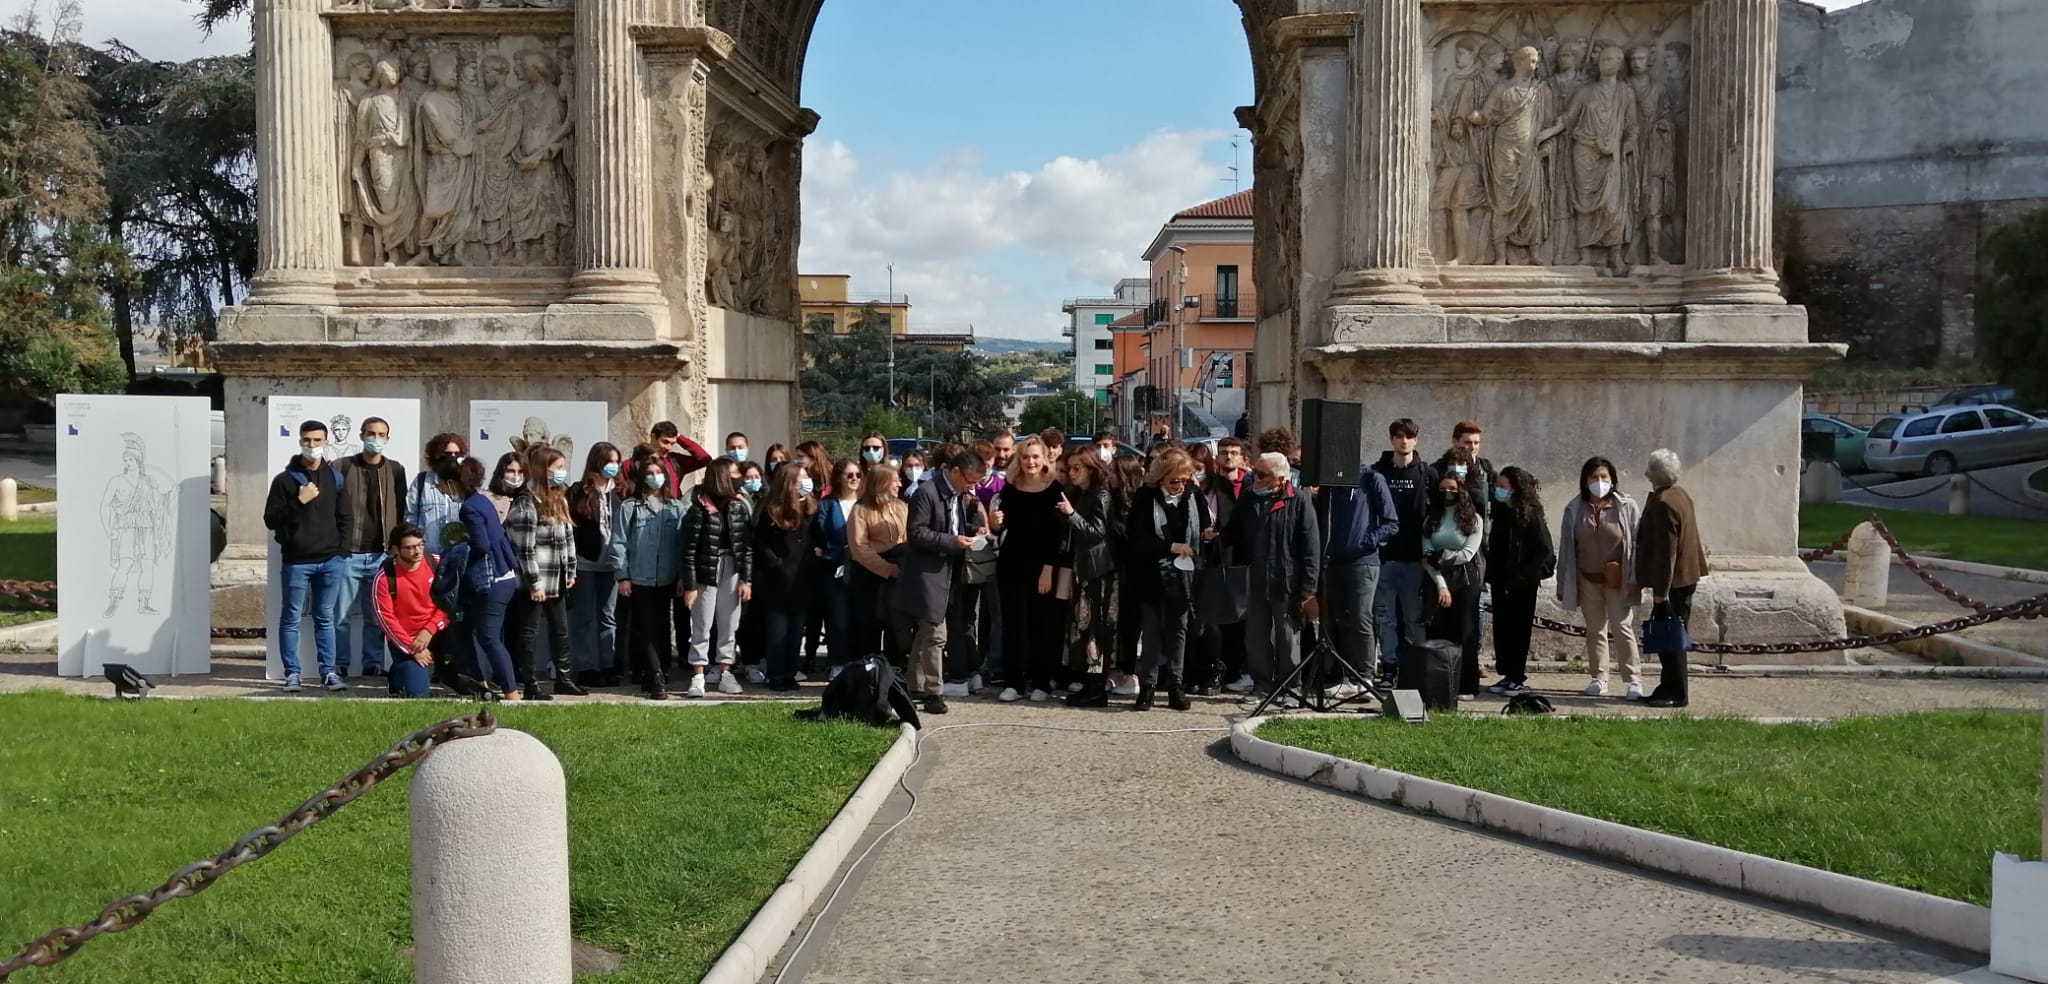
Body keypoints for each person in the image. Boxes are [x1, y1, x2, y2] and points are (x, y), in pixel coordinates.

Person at [897, 450, 990, 715]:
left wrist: (975, 531)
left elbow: (955, 524)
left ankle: (913, 685)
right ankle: (933, 692)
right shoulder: (927, 493)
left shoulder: (959, 495)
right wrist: (952, 542)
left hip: (951, 571)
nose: (972, 487)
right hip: (927, 572)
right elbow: (917, 532)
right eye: (969, 481)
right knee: (936, 634)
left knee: (926, 634)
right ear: (955, 472)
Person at [263, 419, 354, 693]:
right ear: (300, 441)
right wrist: (298, 501)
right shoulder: (284, 480)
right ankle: (292, 673)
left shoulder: (335, 477)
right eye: (306, 440)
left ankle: (328, 672)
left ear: (325, 442)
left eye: (316, 440)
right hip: (296, 561)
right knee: (291, 617)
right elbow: (270, 519)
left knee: (325, 617)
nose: (311, 445)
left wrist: (342, 551)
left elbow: (346, 517)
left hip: (330, 561)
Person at [1122, 448, 1210, 711]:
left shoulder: (1193, 495)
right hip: (1151, 574)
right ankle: (1147, 686)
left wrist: (1207, 535)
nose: (1180, 486)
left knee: (1179, 630)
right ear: (1161, 478)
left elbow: (1204, 523)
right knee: (1152, 631)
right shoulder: (1145, 496)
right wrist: (1170, 547)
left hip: (1184, 576)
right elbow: (1136, 538)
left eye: (1185, 480)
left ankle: (1176, 685)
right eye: (1175, 481)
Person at [1233, 452, 1320, 701]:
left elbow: (1311, 546)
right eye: (1254, 473)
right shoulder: (1249, 497)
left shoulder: (1300, 500)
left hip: (1287, 580)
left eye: (1262, 474)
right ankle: (1261, 685)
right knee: (1256, 636)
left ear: (1280, 478)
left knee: (1287, 638)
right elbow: (1235, 532)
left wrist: (1308, 587)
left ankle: (1291, 688)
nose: (1255, 478)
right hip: (1255, 578)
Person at [1558, 455, 1645, 699]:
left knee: (1622, 627)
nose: (1599, 481)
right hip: (1587, 579)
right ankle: (1599, 677)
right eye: (1594, 477)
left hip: (1618, 578)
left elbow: (1636, 544)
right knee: (1595, 630)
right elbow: (1567, 547)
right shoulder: (1574, 508)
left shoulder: (1625, 506)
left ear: (1612, 479)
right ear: (1585, 481)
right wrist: (1563, 581)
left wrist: (1635, 578)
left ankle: (1633, 680)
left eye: (1604, 477)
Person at [505, 447, 587, 699]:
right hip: (537, 581)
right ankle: (530, 684)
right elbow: (524, 548)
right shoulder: (526, 502)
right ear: (543, 468)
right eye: (558, 467)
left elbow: (568, 536)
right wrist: (534, 583)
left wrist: (570, 568)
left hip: (559, 578)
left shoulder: (558, 497)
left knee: (560, 630)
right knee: (529, 631)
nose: (562, 472)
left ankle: (564, 678)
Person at [991, 436, 1067, 702]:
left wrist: (1048, 568)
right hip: (1012, 562)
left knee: (1041, 625)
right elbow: (1000, 526)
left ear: (1044, 459)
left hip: (1043, 566)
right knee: (1013, 624)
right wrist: (995, 522)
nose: (1030, 462)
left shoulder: (1054, 488)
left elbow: (1059, 534)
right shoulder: (1010, 488)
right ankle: (1013, 682)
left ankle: (1042, 682)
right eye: (1025, 457)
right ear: (1018, 460)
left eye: (1035, 456)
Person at [1315, 454, 1399, 695]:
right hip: (1332, 561)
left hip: (1362, 561)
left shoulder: (1371, 478)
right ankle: (1340, 676)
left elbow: (1391, 522)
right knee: (1335, 619)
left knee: (1361, 617)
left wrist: (1365, 541)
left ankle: (1363, 677)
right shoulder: (1328, 484)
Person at [330, 416, 407, 679]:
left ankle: (372, 664)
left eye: (381, 434)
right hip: (348, 553)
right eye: (371, 433)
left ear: (388, 438)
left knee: (376, 615)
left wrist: (397, 547)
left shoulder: (395, 470)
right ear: (362, 435)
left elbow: (402, 510)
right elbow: (330, 507)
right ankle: (339, 664)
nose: (376, 439)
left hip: (381, 554)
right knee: (340, 614)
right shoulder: (341, 466)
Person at [610, 448, 686, 699]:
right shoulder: (631, 507)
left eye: (658, 472)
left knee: (664, 625)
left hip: (667, 578)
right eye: (650, 473)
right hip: (638, 577)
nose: (655, 477)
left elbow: (681, 545)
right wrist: (622, 575)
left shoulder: (675, 507)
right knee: (644, 626)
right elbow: (619, 542)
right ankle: (652, 675)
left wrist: (682, 577)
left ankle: (662, 670)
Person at [1636, 449, 1707, 708]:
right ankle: (1667, 686)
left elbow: (1667, 552)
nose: (1645, 472)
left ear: (1655, 474)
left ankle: (1676, 692)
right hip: (1685, 578)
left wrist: (1660, 591)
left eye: (1649, 468)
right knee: (1671, 636)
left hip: (1674, 582)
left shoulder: (1665, 502)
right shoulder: (1680, 495)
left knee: (1671, 637)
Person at [1371, 419, 1437, 686]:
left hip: (1414, 559)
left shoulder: (1426, 473)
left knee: (1414, 619)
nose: (1404, 441)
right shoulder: (1377, 472)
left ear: (1416, 440)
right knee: (1386, 619)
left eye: (1409, 436)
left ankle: (1417, 670)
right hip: (1385, 559)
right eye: (1399, 436)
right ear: (1391, 440)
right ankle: (1389, 668)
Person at [682, 458, 754, 694]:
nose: (738, 477)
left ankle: (726, 671)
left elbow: (746, 547)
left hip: (732, 568)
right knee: (702, 624)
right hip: (706, 569)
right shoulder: (698, 508)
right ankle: (699, 674)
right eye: (733, 473)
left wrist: (746, 579)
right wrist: (690, 584)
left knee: (729, 623)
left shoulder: (738, 507)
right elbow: (689, 549)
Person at [455, 455, 523, 699]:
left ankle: (511, 691)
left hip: (493, 579)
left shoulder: (469, 507)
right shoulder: (482, 501)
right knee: (470, 631)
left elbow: (481, 545)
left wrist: (458, 551)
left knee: (489, 637)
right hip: (504, 574)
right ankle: (480, 682)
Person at [1056, 446, 1119, 707]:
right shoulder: (1082, 494)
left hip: (1098, 572)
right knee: (1083, 629)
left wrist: (1071, 514)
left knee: (1095, 629)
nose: (1071, 473)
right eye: (1069, 468)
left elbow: (1095, 532)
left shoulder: (1100, 495)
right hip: (1084, 570)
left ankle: (1096, 688)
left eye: (1077, 468)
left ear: (1091, 469)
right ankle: (1089, 684)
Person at [1486, 466, 1555, 696]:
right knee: (1502, 630)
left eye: (1503, 487)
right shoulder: (1501, 514)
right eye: (1498, 486)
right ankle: (1506, 674)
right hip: (1501, 582)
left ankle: (1517, 676)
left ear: (1515, 488)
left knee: (1519, 631)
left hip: (1523, 584)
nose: (1499, 490)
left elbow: (1544, 550)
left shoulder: (1530, 515)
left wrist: (1524, 574)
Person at [1421, 465, 1486, 700]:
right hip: (1436, 578)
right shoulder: (1432, 518)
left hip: (1465, 578)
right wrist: (1441, 584)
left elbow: (1468, 552)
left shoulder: (1473, 520)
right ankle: (1439, 683)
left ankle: (1467, 685)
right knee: (1439, 631)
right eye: (1442, 489)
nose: (1447, 493)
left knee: (1465, 632)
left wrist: (1442, 557)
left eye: (1452, 489)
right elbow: (1426, 554)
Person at [567, 442, 626, 688]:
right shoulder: (579, 491)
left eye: (616, 462)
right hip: (585, 562)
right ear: (596, 463)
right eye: (609, 461)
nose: (613, 466)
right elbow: (570, 527)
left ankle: (608, 664)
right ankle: (585, 666)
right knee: (582, 617)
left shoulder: (622, 491)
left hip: (612, 565)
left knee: (608, 616)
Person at [372, 523, 448, 698]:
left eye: (421, 545)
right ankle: (401, 673)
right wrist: (413, 648)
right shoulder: (384, 578)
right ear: (396, 549)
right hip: (407, 640)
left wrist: (429, 629)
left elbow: (447, 603)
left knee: (456, 676)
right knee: (417, 693)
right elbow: (386, 619)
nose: (417, 551)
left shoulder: (436, 563)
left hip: (437, 632)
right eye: (410, 547)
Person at [1206, 437, 1254, 694]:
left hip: (1245, 559)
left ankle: (1241, 669)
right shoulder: (1209, 487)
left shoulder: (1251, 485)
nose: (1228, 457)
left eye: (1233, 453)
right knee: (1218, 619)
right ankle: (1220, 670)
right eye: (1223, 452)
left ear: (1243, 459)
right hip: (1217, 558)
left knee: (1243, 619)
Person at [848, 462, 908, 671]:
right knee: (869, 623)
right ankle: (869, 670)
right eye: (895, 480)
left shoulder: (900, 506)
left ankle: (894, 667)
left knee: (895, 622)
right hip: (869, 573)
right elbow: (859, 547)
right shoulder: (861, 510)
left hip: (897, 569)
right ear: (882, 483)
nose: (900, 484)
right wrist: (886, 569)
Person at [815, 458, 862, 677]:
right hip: (834, 568)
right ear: (839, 478)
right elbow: (821, 535)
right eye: (849, 475)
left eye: (857, 475)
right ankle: (838, 662)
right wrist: (836, 550)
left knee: (860, 617)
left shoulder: (864, 503)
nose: (854, 479)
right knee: (838, 618)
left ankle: (859, 662)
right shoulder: (826, 504)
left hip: (863, 568)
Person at [407, 433, 467, 554]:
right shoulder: (421, 482)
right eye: (448, 454)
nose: (453, 457)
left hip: (459, 557)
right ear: (437, 455)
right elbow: (410, 517)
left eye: (457, 454)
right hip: (429, 555)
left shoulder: (466, 482)